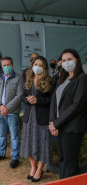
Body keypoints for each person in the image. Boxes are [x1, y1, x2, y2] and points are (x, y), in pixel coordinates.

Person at [49, 48, 87, 179]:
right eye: (64, 60)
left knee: (71, 164)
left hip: (72, 127)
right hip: (60, 127)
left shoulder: (82, 79)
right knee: (62, 160)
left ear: (77, 60)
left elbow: (77, 105)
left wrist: (56, 123)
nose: (66, 62)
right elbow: (54, 101)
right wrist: (52, 122)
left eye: (70, 59)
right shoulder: (63, 80)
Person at [21, 56, 55, 182]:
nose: (38, 67)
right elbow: (22, 96)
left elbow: (52, 100)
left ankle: (40, 170)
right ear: (32, 65)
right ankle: (33, 167)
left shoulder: (50, 81)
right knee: (29, 143)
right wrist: (27, 100)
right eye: (36, 64)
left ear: (45, 68)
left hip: (42, 118)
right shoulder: (28, 79)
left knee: (43, 145)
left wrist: (38, 100)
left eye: (41, 65)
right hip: (29, 117)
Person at [0, 57, 24, 168]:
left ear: (12, 65)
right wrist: (0, 107)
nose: (6, 67)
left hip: (12, 112)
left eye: (8, 64)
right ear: (2, 66)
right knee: (1, 134)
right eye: (4, 65)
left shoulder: (19, 78)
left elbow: (19, 95)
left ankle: (15, 157)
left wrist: (7, 108)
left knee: (14, 136)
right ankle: (1, 153)